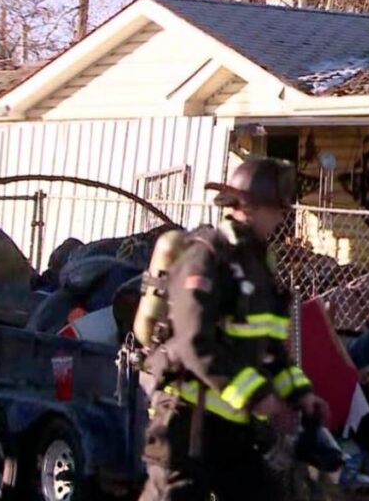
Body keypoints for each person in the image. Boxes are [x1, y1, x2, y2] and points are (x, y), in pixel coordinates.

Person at [139, 157, 330, 501]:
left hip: (231, 427)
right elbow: (193, 343)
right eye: (275, 209)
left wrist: (300, 395)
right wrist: (258, 396)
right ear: (248, 206)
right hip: (186, 420)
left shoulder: (258, 268)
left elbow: (270, 349)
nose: (280, 218)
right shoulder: (207, 256)